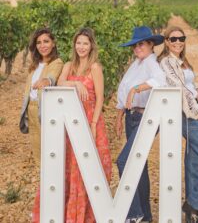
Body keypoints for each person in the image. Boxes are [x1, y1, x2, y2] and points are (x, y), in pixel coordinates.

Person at [32, 27, 112, 222]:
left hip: (89, 121)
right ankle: (65, 212)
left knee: (90, 168)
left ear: (91, 45)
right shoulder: (68, 65)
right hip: (69, 125)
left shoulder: (95, 68)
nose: (81, 47)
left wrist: (93, 124)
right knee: (68, 165)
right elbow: (59, 83)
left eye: (85, 43)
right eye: (78, 43)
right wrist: (77, 84)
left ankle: (85, 214)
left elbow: (100, 98)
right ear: (74, 45)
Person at [158, 26, 198, 223]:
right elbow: (179, 89)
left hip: (192, 107)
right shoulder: (166, 62)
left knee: (194, 158)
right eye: (173, 39)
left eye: (181, 38)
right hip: (186, 112)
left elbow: (191, 83)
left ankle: (192, 204)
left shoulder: (182, 61)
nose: (178, 42)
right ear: (166, 42)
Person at [116, 26, 166, 223]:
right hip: (132, 117)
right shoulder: (137, 63)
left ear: (151, 44)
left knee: (124, 161)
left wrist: (137, 89)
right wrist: (119, 117)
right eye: (135, 46)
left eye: (141, 44)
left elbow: (160, 81)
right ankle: (145, 215)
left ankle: (134, 213)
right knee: (139, 165)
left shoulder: (152, 63)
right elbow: (122, 91)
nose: (138, 48)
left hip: (145, 117)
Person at [20, 27, 64, 165]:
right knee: (37, 146)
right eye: (39, 42)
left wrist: (47, 81)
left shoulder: (56, 63)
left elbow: (52, 76)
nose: (42, 45)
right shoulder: (34, 65)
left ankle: (52, 181)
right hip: (31, 109)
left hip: (44, 110)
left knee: (50, 147)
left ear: (53, 43)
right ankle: (43, 182)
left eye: (46, 41)